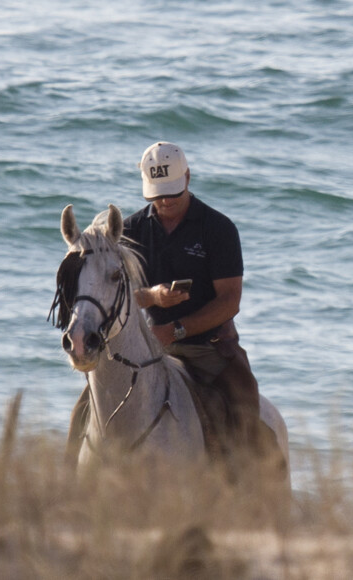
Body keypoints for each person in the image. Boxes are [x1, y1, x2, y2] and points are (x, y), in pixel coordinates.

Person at [123, 141, 261, 449]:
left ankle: (254, 482)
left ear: (187, 177)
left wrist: (175, 330)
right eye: (158, 194)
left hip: (208, 347)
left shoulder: (219, 229)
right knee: (88, 402)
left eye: (172, 192)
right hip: (145, 345)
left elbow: (229, 301)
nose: (166, 201)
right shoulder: (131, 231)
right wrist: (152, 297)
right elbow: (119, 297)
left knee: (245, 396)